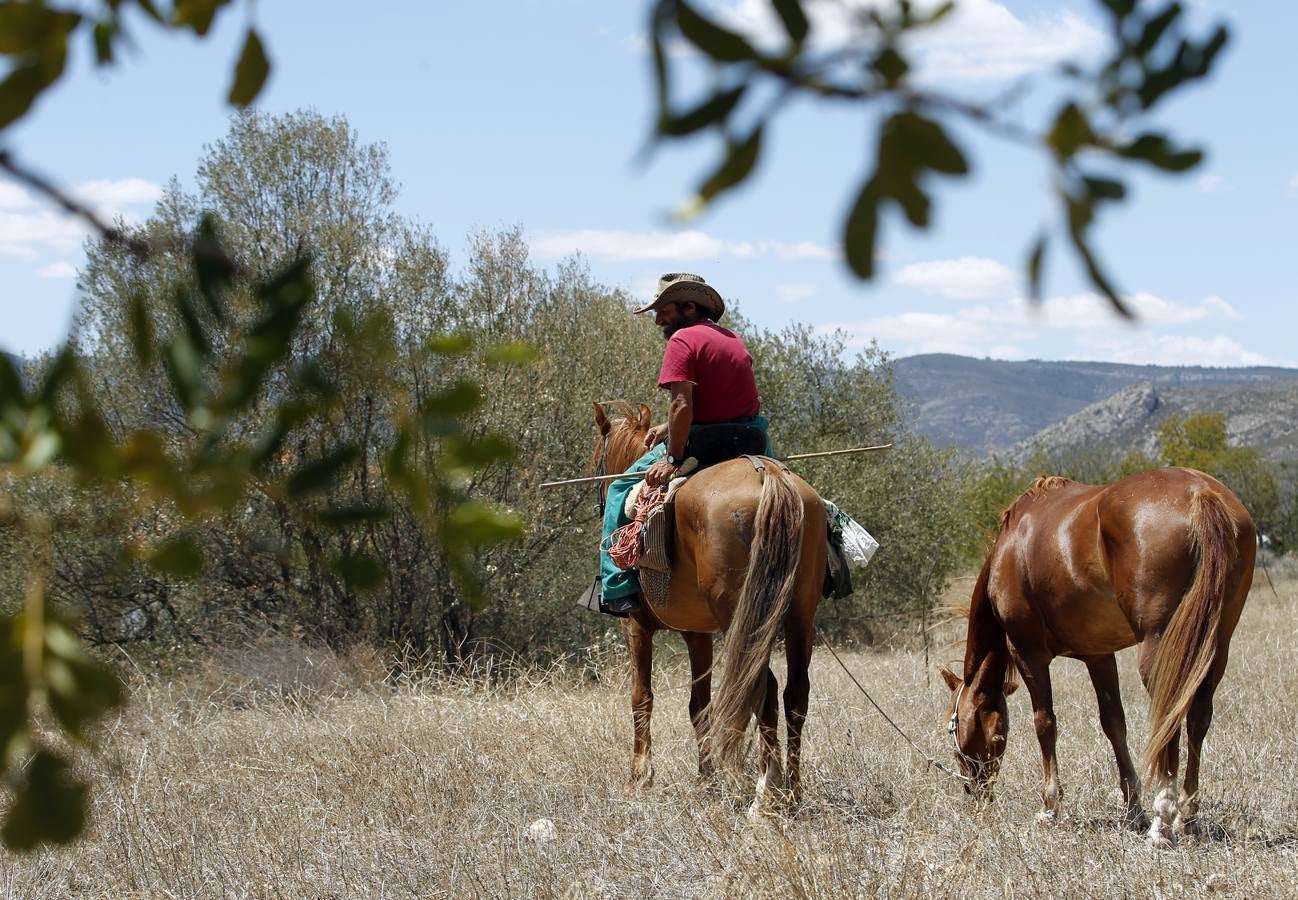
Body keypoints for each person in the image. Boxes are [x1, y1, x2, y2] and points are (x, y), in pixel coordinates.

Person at [597, 273, 771, 617]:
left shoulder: (682, 340)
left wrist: (674, 457)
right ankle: (829, 558)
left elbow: (682, 405)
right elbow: (722, 401)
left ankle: (616, 586)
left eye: (663, 310)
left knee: (618, 489)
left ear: (689, 307)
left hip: (704, 444)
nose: (658, 319)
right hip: (751, 439)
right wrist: (666, 427)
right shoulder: (733, 338)